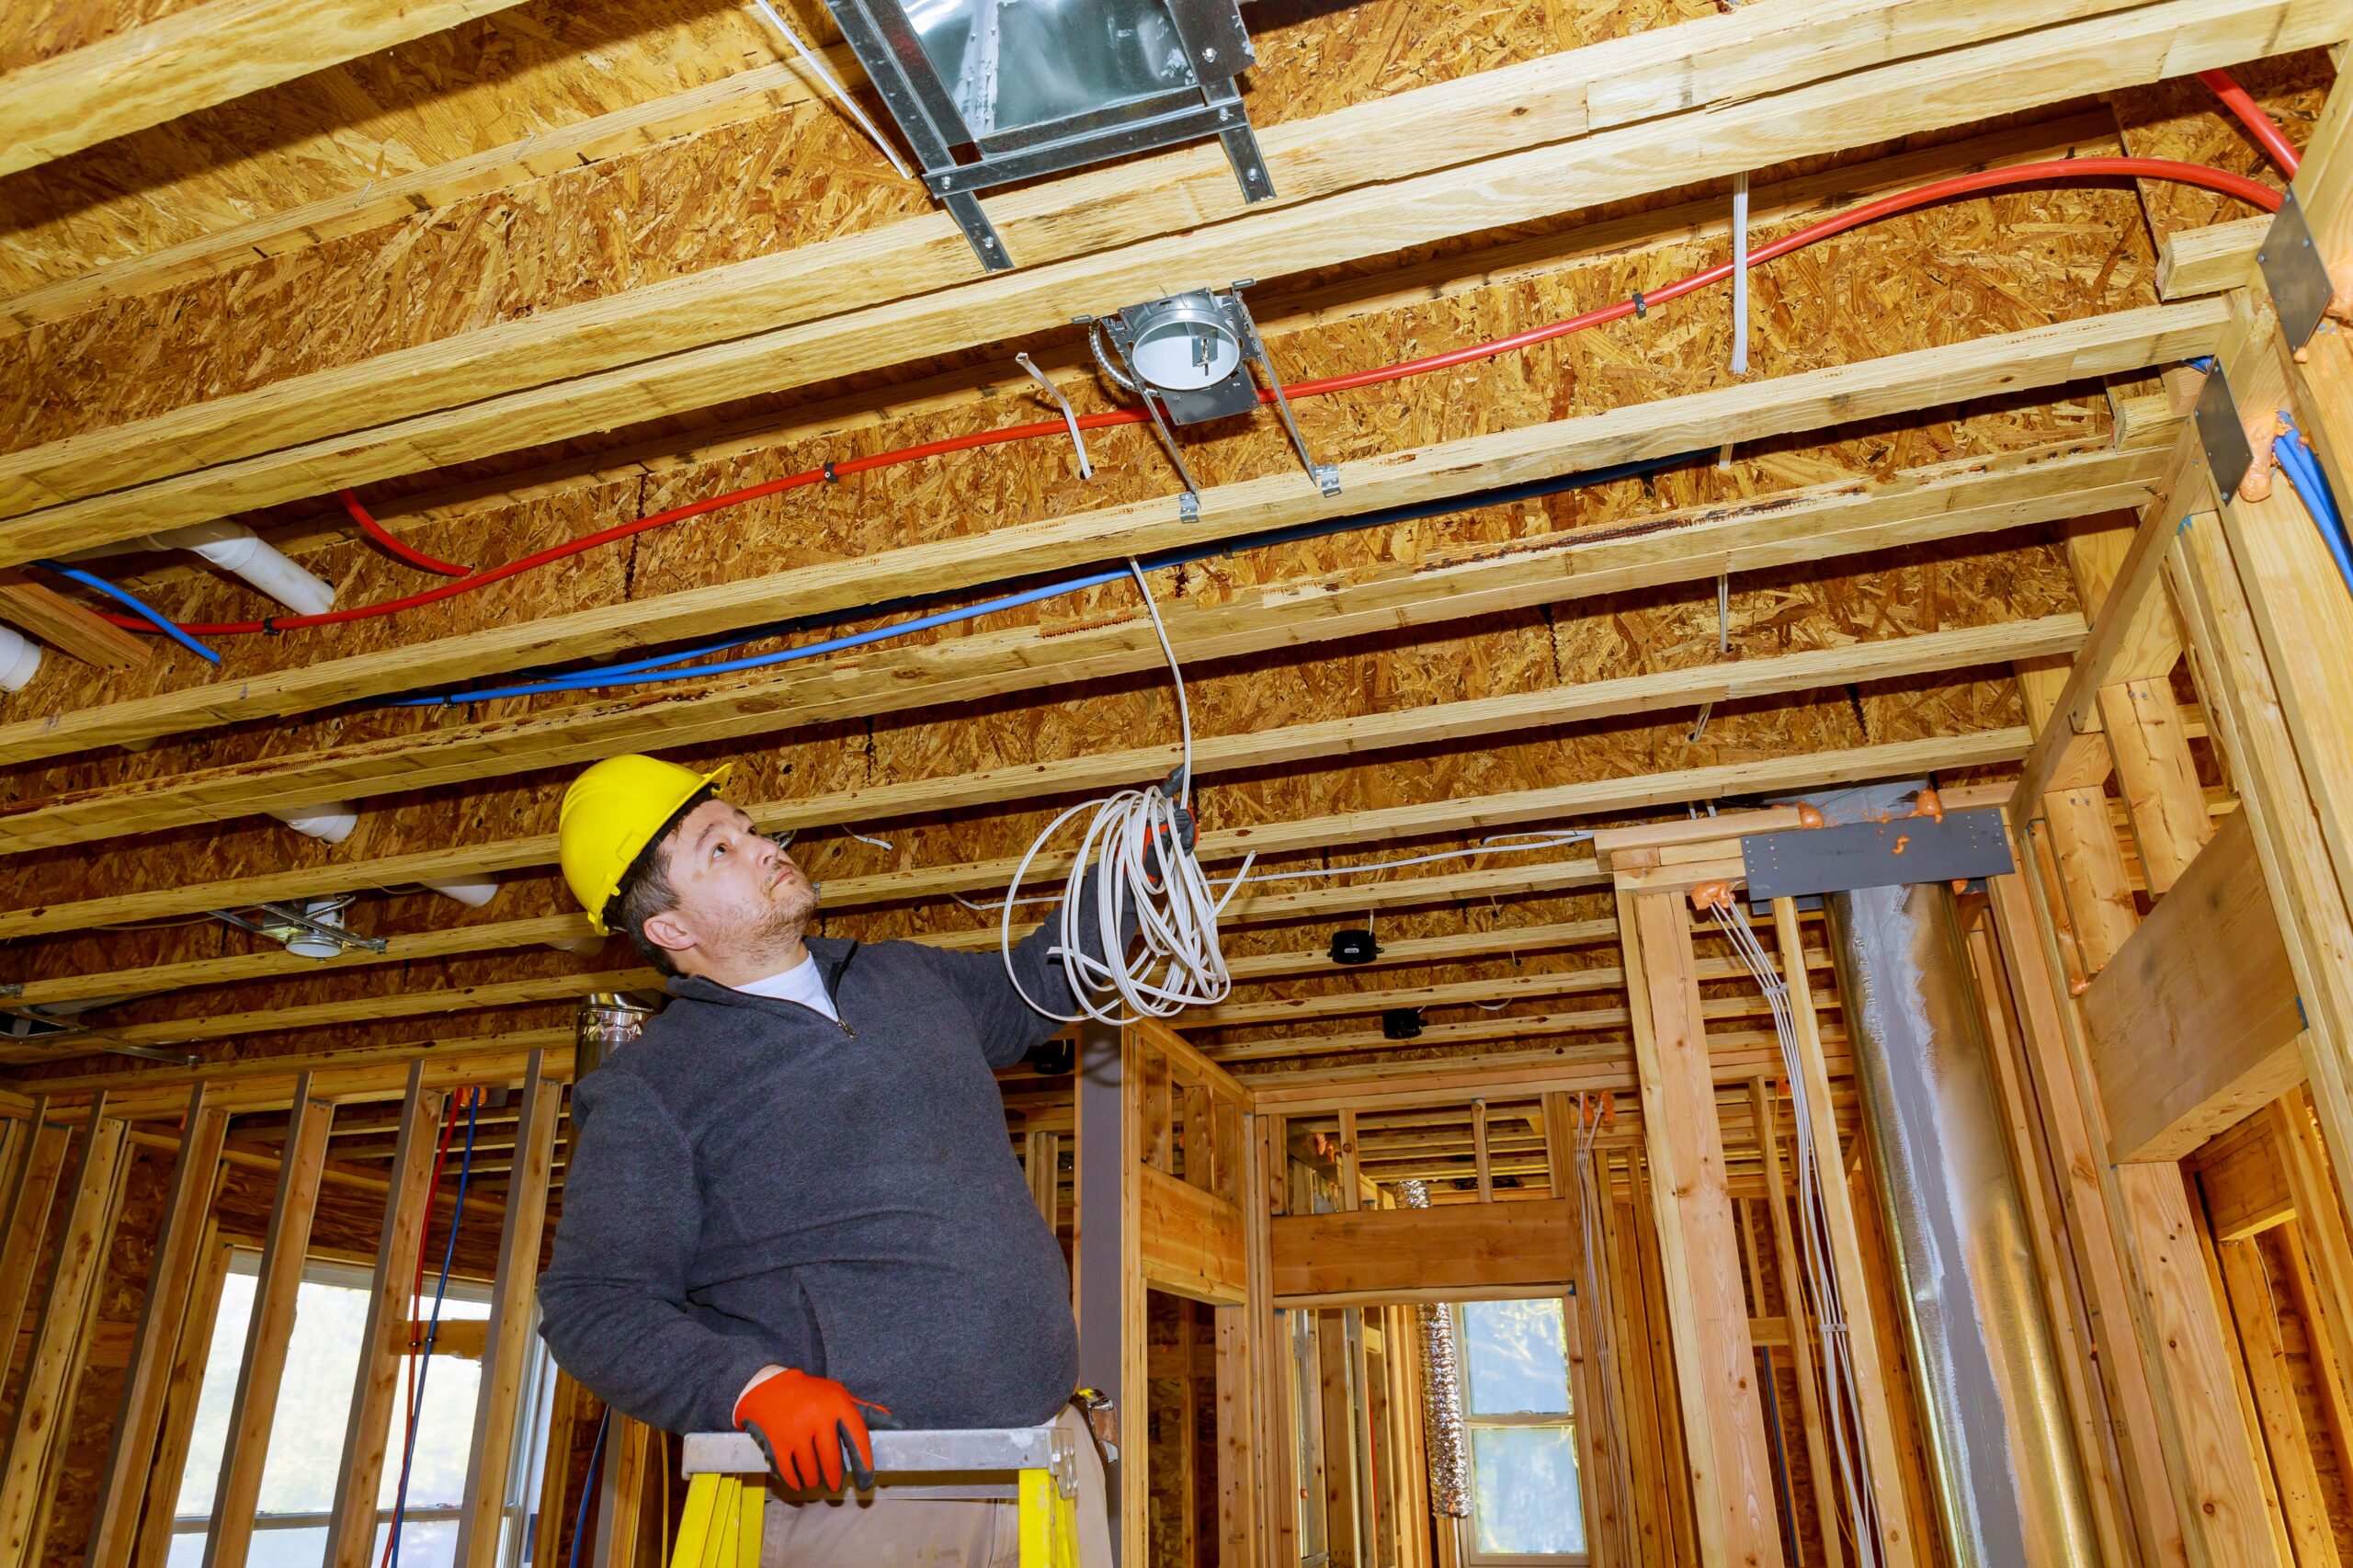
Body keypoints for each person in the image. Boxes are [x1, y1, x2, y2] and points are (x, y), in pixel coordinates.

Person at [537, 754, 1179, 1566]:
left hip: (1048, 1456)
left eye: (749, 828)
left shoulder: (902, 976)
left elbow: (1037, 983)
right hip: (870, 1490)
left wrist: (1127, 876)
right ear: (671, 929)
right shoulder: (653, 1085)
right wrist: (749, 1389)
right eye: (719, 850)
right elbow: (595, 1303)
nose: (762, 845)